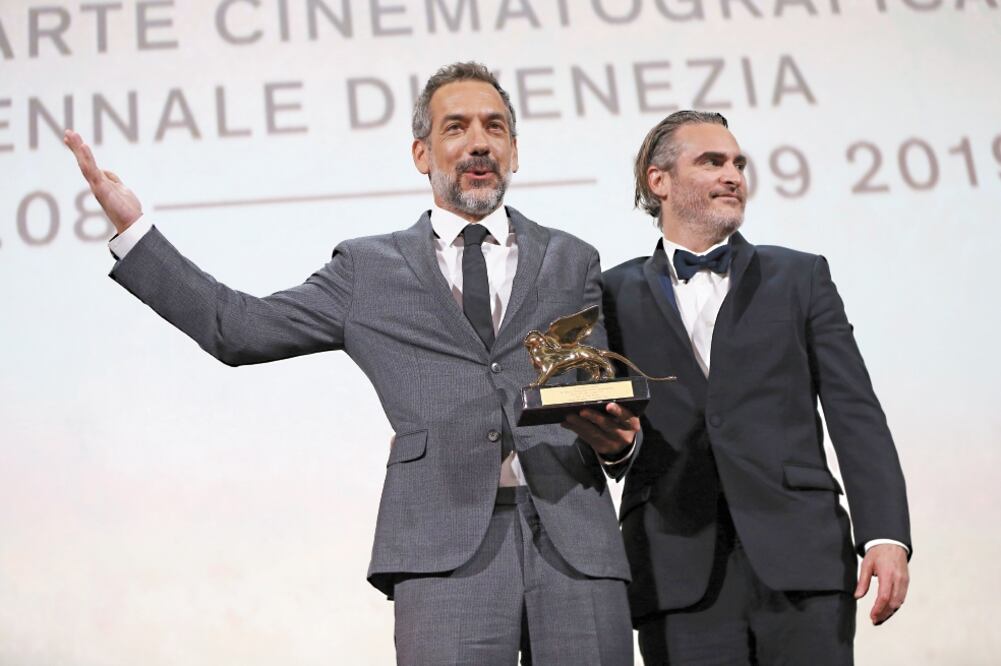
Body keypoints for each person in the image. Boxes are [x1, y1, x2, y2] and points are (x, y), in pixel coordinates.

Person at [64, 62, 634, 665]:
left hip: (577, 545)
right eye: (456, 127)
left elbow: (600, 391)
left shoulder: (572, 259)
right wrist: (135, 231)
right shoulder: (369, 269)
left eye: (495, 128)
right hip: (442, 550)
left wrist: (622, 445)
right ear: (421, 153)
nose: (479, 143)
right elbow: (237, 328)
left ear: (514, 151)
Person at [565, 110, 911, 665]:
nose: (733, 175)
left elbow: (855, 412)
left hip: (804, 560)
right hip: (674, 566)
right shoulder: (608, 293)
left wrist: (885, 534)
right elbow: (604, 423)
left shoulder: (801, 276)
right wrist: (616, 447)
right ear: (659, 181)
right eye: (712, 162)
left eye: (738, 164)